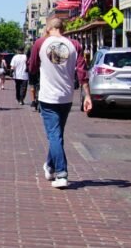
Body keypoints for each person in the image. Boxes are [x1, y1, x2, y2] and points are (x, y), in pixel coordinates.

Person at [28, 18, 91, 189]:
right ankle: (50, 165)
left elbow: (32, 67)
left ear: (48, 28)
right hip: (66, 97)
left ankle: (62, 173)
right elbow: (82, 72)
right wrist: (87, 96)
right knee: (57, 135)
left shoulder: (40, 43)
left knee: (54, 136)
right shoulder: (75, 45)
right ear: (62, 29)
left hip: (48, 97)